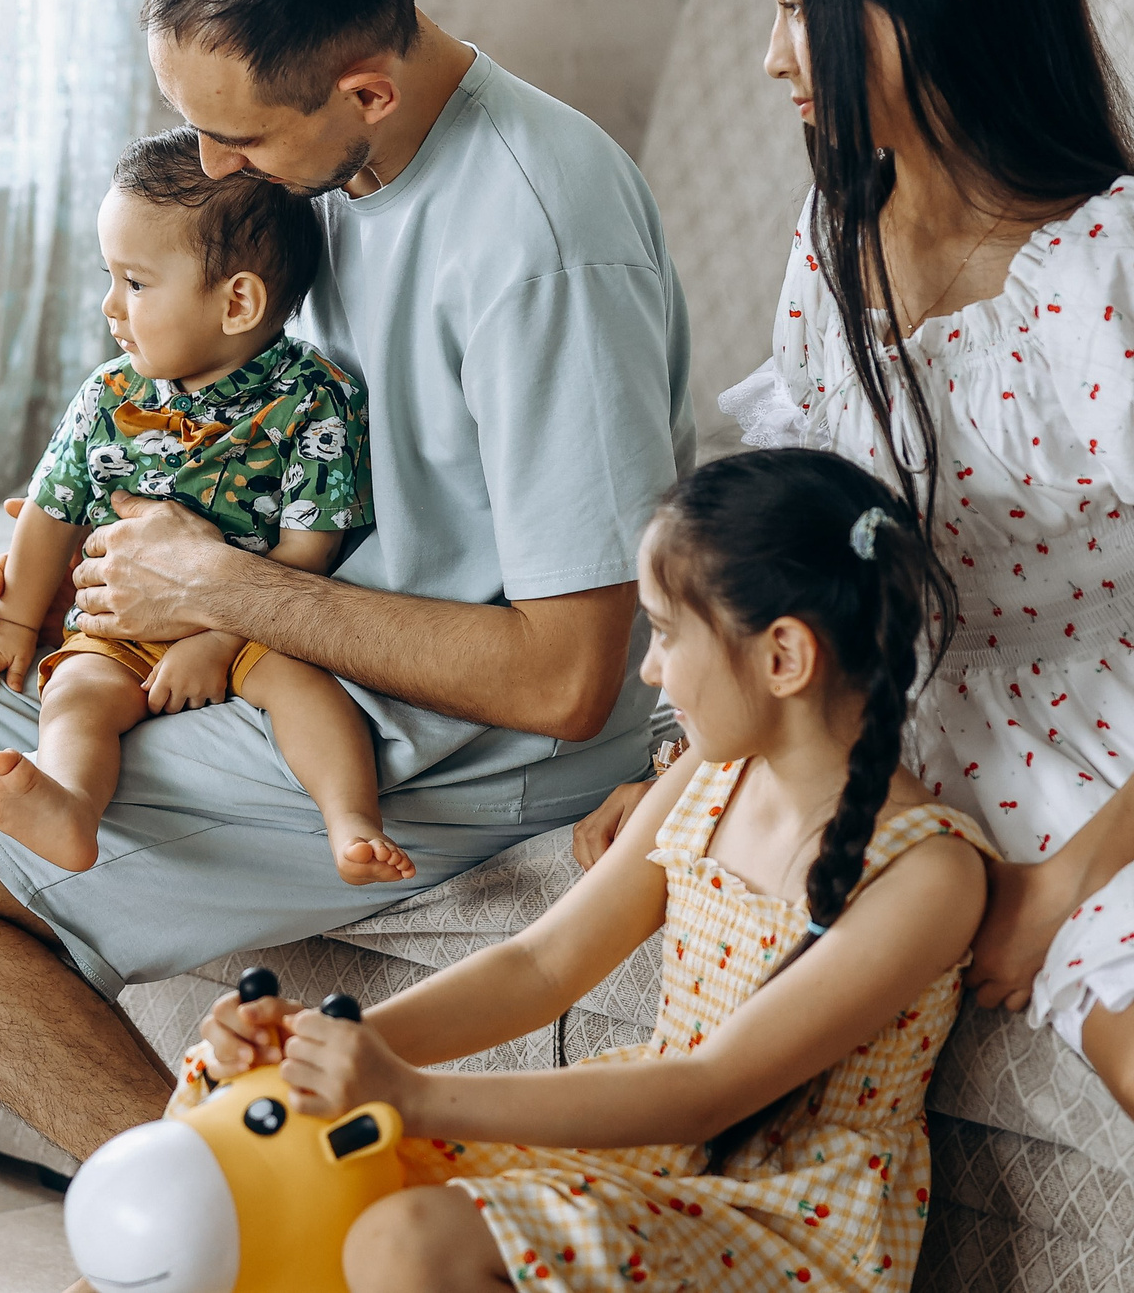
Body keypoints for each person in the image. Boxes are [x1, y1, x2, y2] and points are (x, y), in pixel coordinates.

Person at [0, 0, 696, 1163]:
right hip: (267, 657)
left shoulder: (539, 237)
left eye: (243, 140)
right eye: (192, 125)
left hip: (463, 741)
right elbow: (265, 431)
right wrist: (104, 550)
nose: (213, 168)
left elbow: (569, 679)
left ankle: (202, 1232)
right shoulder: (321, 175)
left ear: (367, 86)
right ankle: (221, 1196)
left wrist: (217, 588)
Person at [575, 0, 1134, 1211]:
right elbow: (796, 566)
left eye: (800, 6)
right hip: (961, 728)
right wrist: (694, 766)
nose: (776, 54)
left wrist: (1074, 876)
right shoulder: (833, 243)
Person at [187, 449, 991, 1293]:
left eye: (669, 634)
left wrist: (408, 1093)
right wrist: (326, 1046)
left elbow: (704, 1089)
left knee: (406, 1237)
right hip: (652, 1162)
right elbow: (541, 964)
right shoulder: (707, 775)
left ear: (783, 655)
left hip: (778, 1222)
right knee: (258, 1134)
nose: (648, 669)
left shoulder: (927, 873)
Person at [0, 126, 409, 885]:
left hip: (258, 627)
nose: (109, 306)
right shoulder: (108, 395)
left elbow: (305, 557)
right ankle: (69, 807)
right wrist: (17, 625)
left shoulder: (315, 400)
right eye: (110, 276)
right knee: (76, 696)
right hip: (121, 618)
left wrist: (216, 642)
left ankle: (352, 826)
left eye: (135, 282)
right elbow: (50, 511)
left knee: (310, 694)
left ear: (238, 302)